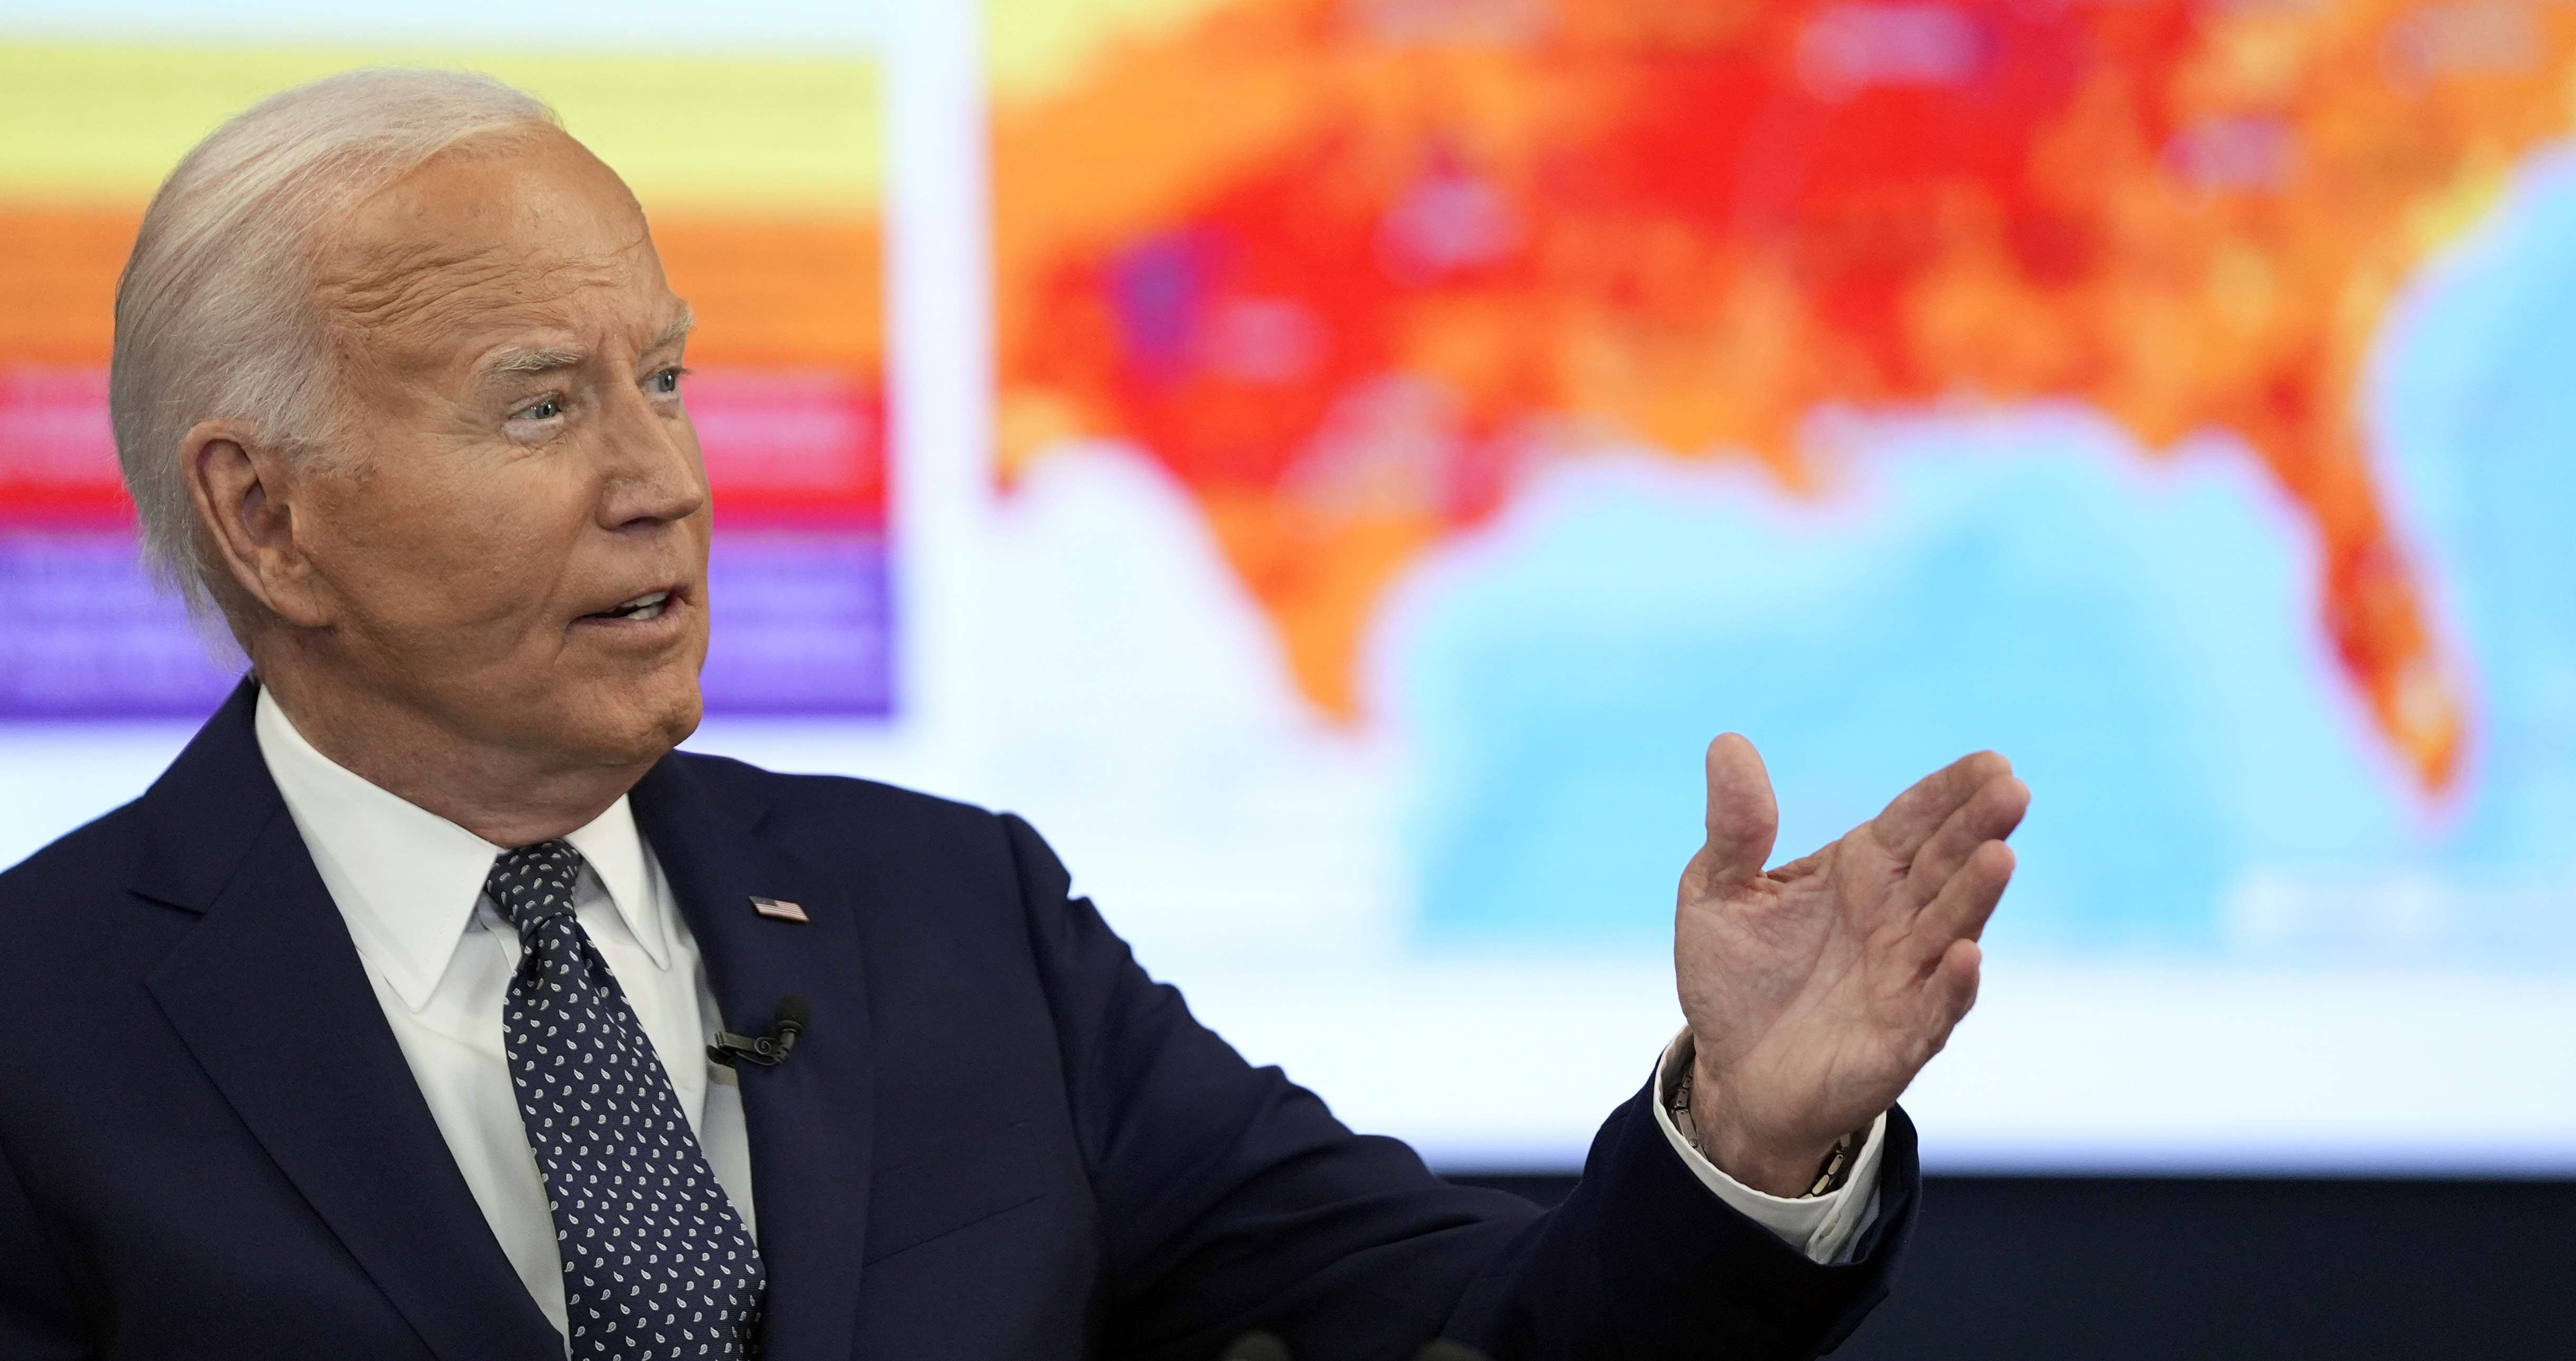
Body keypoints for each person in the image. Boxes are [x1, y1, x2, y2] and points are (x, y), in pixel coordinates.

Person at [0, 70, 2029, 1360]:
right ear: (265, 517)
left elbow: (1471, 1328)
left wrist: (1749, 1139)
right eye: (544, 403)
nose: (666, 481)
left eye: (670, 383)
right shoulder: (44, 1031)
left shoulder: (952, 918)